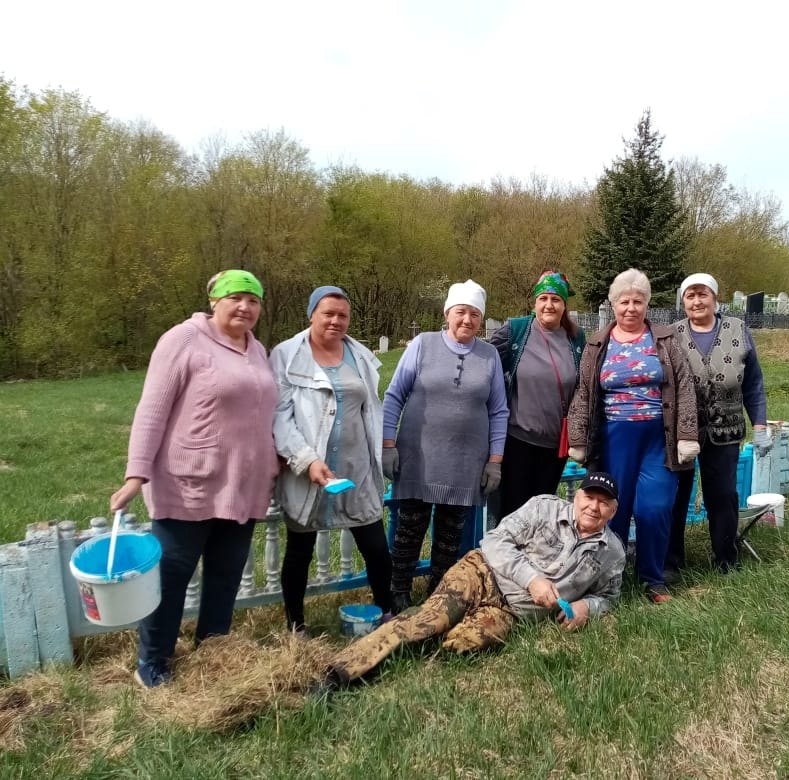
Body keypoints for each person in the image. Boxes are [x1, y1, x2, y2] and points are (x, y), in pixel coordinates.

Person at [110, 269, 279, 688]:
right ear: (215, 301)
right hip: (190, 483)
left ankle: (213, 650)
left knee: (225, 574)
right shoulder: (184, 339)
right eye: (236, 297)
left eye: (254, 300)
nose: (246, 307)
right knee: (171, 576)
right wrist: (136, 474)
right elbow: (152, 409)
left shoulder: (257, 350)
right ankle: (153, 662)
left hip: (243, 485)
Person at [319, 472, 626, 688]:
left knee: (465, 644)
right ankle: (340, 672)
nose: (593, 507)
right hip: (482, 572)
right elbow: (495, 541)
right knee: (430, 621)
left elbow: (609, 597)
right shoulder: (543, 508)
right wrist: (532, 579)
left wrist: (587, 607)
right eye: (589, 497)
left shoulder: (612, 552)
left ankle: (425, 645)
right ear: (577, 496)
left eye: (603, 502)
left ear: (613, 510)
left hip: (509, 611)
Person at [566, 268, 699, 603]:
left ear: (647, 304)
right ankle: (612, 578)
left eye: (637, 301)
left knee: (655, 506)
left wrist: (686, 435)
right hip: (613, 440)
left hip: (658, 439)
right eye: (624, 301)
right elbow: (584, 393)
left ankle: (653, 579)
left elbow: (684, 387)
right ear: (613, 305)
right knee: (613, 510)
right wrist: (578, 440)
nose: (630, 308)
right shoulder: (598, 343)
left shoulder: (666, 340)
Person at [270, 286, 393, 635]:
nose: (336, 321)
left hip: (355, 469)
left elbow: (373, 409)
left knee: (375, 547)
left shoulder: (360, 356)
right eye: (328, 313)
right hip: (308, 471)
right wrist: (306, 461)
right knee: (300, 551)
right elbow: (279, 417)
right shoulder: (287, 356)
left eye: (343, 315)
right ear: (311, 314)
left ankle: (386, 612)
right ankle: (296, 624)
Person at [381, 279, 509, 615]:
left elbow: (498, 410)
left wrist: (495, 460)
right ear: (447, 313)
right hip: (418, 457)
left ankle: (438, 601)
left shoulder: (490, 355)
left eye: (475, 314)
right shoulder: (422, 345)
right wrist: (387, 444)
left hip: (465, 462)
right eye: (461, 312)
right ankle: (397, 597)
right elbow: (394, 395)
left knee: (450, 537)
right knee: (409, 530)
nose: (467, 320)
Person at [668, 273, 771, 574]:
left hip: (725, 430)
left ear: (715, 298)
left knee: (723, 495)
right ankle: (671, 562)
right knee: (676, 495)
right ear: (683, 301)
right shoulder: (671, 334)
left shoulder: (737, 329)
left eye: (703, 294)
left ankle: (726, 558)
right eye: (690, 295)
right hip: (681, 431)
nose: (697, 301)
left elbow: (753, 383)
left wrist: (761, 425)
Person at [490, 270, 585, 520]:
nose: (549, 305)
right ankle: (505, 558)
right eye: (543, 298)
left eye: (556, 299)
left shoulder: (576, 340)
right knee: (512, 512)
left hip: (556, 445)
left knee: (543, 512)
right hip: (517, 440)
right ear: (535, 302)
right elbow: (485, 367)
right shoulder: (515, 332)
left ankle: (536, 558)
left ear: (564, 305)